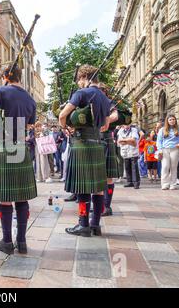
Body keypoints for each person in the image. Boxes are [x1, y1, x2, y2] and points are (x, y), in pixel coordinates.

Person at [0, 66, 37, 255]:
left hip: (4, 147)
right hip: (21, 147)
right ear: (19, 77)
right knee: (21, 197)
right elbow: (29, 124)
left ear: (5, 77)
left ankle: (6, 241)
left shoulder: (0, 91)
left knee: (5, 199)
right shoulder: (30, 98)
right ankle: (22, 241)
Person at [59, 64, 111, 237]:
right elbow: (105, 124)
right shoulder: (104, 98)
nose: (78, 83)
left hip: (81, 143)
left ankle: (83, 224)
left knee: (82, 187)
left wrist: (65, 128)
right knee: (97, 187)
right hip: (97, 142)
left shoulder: (81, 93)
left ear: (83, 77)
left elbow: (62, 115)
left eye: (78, 80)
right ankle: (95, 225)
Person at [97, 83, 120, 218]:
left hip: (106, 138)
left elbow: (115, 116)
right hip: (96, 139)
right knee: (98, 175)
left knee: (107, 176)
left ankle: (107, 206)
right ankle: (100, 206)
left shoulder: (108, 103)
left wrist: (104, 122)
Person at [157, 115, 179, 190]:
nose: (172, 121)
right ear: (167, 121)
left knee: (173, 167)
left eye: (173, 119)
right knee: (165, 167)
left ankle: (173, 184)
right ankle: (165, 184)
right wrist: (160, 150)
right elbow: (159, 141)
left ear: (175, 120)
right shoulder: (162, 129)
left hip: (175, 149)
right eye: (170, 120)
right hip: (165, 150)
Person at [118, 124, 141, 189]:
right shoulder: (120, 131)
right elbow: (119, 141)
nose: (126, 125)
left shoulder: (134, 130)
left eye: (128, 124)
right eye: (125, 124)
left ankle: (136, 183)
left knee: (134, 168)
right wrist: (129, 141)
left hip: (133, 152)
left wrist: (125, 140)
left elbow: (134, 140)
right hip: (125, 151)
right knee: (127, 167)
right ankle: (129, 182)